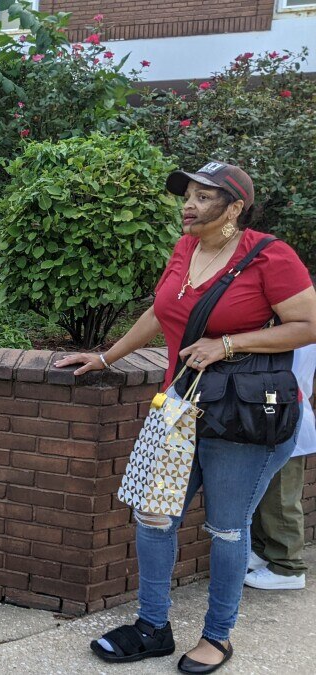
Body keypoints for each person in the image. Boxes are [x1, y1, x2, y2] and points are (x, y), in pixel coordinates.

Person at [55, 161, 316, 673]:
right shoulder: (185, 248)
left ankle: (217, 637)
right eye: (187, 195)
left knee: (225, 528)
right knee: (153, 515)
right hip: (179, 409)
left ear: (235, 207)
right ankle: (152, 626)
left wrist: (228, 344)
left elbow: (308, 324)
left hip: (241, 419)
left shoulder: (270, 255)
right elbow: (160, 312)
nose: (188, 205)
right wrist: (107, 356)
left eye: (203, 196)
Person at [245, 343, 315, 590]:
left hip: (287, 419)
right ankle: (263, 551)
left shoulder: (301, 328)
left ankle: (287, 566)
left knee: (281, 498)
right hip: (272, 419)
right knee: (264, 494)